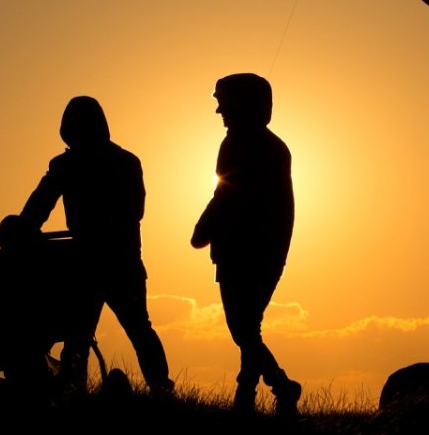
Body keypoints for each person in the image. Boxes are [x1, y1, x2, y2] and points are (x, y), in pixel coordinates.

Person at [20, 96, 173, 397]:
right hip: (103, 263)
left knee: (118, 330)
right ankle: (81, 389)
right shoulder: (116, 162)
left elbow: (133, 210)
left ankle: (157, 388)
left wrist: (25, 227)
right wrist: (23, 227)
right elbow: (40, 203)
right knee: (90, 332)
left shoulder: (107, 163)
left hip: (112, 262)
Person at [191, 73, 302, 416]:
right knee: (248, 326)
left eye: (223, 102)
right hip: (266, 251)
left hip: (244, 252)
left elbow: (226, 193)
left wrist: (203, 229)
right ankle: (246, 396)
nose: (219, 111)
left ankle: (281, 385)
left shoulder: (240, 145)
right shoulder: (273, 146)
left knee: (242, 328)